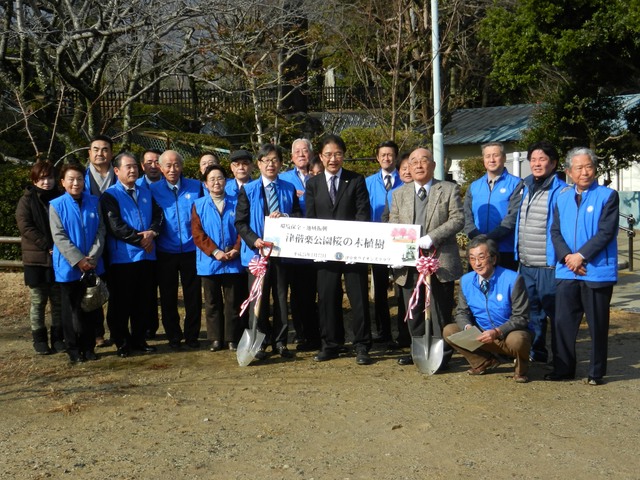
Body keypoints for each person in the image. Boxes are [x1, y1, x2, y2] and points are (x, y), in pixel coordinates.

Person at [545, 147, 619, 385]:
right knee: (562, 322)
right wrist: (568, 257)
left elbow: (606, 232)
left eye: (589, 166)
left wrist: (581, 256)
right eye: (579, 168)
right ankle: (563, 369)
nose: (584, 172)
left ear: (595, 169)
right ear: (568, 171)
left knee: (597, 324)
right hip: (567, 270)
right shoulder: (561, 196)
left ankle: (596, 373)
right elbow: (554, 231)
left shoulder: (608, 196)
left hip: (596, 271)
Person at [389, 147, 464, 370]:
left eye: (424, 161)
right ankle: (419, 349)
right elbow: (394, 224)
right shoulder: (399, 194)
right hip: (409, 264)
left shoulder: (448, 189)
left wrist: (432, 237)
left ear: (433, 165)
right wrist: (397, 252)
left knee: (440, 310)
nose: (419, 165)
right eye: (414, 162)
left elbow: (458, 219)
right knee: (414, 311)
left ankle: (444, 354)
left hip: (439, 262)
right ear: (408, 167)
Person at [305, 134, 373, 365]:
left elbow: (363, 213)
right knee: (327, 298)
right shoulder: (312, 183)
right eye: (328, 154)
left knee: (359, 298)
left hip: (353, 251)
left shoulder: (355, 180)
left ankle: (362, 345)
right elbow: (311, 217)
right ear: (321, 157)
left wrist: (353, 242)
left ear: (344, 155)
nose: (333, 159)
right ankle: (331, 344)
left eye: (338, 154)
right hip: (325, 253)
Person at [235, 144, 301, 360]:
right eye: (266, 160)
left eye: (274, 160)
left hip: (281, 253)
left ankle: (280, 342)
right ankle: (260, 342)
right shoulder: (249, 189)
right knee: (259, 300)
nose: (270, 164)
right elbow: (240, 222)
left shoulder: (288, 188)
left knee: (281, 298)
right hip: (257, 256)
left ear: (281, 163)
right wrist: (256, 241)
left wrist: (287, 218)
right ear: (259, 164)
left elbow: (299, 216)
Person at [443, 236, 532, 383]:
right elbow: (461, 312)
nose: (477, 263)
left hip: (507, 334)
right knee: (449, 330)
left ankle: (521, 370)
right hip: (481, 333)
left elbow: (521, 317)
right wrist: (467, 327)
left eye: (481, 258)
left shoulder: (513, 279)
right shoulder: (466, 280)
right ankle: (483, 362)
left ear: (494, 259)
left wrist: (497, 332)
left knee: (519, 339)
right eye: (472, 259)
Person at [100, 152, 163, 358]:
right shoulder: (110, 195)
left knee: (143, 300)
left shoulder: (145, 192)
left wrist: (152, 232)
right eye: (128, 166)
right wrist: (141, 240)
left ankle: (139, 339)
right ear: (116, 170)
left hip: (146, 257)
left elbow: (158, 215)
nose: (133, 170)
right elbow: (115, 226)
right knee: (121, 302)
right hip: (123, 258)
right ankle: (121, 341)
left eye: (135, 166)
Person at [515, 141, 567, 364]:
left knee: (555, 314)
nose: (536, 164)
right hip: (526, 263)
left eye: (542, 159)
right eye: (533, 159)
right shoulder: (524, 186)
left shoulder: (561, 190)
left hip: (549, 264)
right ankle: (538, 353)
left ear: (553, 163)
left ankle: (561, 357)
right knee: (533, 312)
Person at [49, 163, 106, 363]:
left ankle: (89, 348)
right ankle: (73, 350)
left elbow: (100, 231)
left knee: (90, 307)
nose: (76, 183)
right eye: (71, 179)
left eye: (80, 179)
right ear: (63, 182)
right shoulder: (56, 205)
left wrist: (92, 257)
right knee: (71, 310)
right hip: (69, 267)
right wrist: (78, 260)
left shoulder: (94, 201)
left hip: (92, 264)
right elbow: (59, 236)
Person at [151, 150, 204, 350]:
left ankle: (192, 335)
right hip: (165, 250)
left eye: (176, 165)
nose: (172, 169)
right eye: (168, 166)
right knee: (168, 295)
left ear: (181, 166)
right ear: (160, 168)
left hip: (191, 249)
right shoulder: (152, 189)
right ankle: (173, 335)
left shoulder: (196, 186)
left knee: (193, 296)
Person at [192, 165, 245, 352]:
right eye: (212, 179)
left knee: (233, 301)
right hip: (209, 262)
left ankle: (232, 338)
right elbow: (197, 233)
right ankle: (215, 338)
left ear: (226, 181)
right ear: (205, 184)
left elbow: (242, 229)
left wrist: (236, 250)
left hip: (233, 260)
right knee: (212, 301)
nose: (216, 182)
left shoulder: (237, 202)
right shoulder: (199, 205)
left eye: (220, 178)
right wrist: (215, 252)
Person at [16, 161, 64, 355]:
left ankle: (58, 338)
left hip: (58, 259)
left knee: (58, 301)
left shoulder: (61, 197)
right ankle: (39, 339)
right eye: (42, 178)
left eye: (50, 177)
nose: (46, 182)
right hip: (36, 260)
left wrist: (58, 247)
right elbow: (25, 226)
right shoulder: (26, 200)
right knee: (38, 301)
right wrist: (47, 245)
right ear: (34, 179)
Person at [279, 138, 320, 350]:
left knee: (313, 291)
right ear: (291, 156)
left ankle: (317, 333)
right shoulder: (283, 180)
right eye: (297, 151)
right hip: (292, 246)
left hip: (319, 243)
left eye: (305, 150)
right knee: (295, 293)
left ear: (312, 154)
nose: (302, 154)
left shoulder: (320, 176)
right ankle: (301, 334)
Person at [463, 141, 522, 271]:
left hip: (504, 249)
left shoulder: (516, 184)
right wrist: (476, 236)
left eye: (495, 155)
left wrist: (490, 237)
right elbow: (466, 215)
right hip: (477, 250)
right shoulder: (474, 186)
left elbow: (513, 217)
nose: (491, 159)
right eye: (487, 156)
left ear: (504, 157)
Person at [366, 140, 402, 343]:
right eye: (383, 155)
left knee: (402, 288)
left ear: (395, 157)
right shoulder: (369, 182)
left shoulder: (405, 181)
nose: (386, 158)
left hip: (400, 241)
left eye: (390, 155)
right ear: (378, 158)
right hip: (377, 242)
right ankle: (383, 331)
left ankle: (404, 332)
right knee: (379, 290)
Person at [84, 135, 116, 347]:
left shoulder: (120, 174)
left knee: (118, 288)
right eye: (95, 149)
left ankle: (117, 330)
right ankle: (97, 333)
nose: (100, 153)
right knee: (93, 288)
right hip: (92, 241)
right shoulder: (81, 178)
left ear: (111, 153)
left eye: (105, 149)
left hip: (118, 241)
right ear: (89, 153)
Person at [136, 148, 163, 339]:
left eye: (156, 162)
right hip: (143, 247)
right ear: (141, 165)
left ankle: (154, 325)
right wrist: (144, 238)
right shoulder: (135, 186)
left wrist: (154, 232)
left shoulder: (168, 183)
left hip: (166, 244)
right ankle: (145, 327)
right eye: (149, 162)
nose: (153, 166)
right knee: (145, 289)